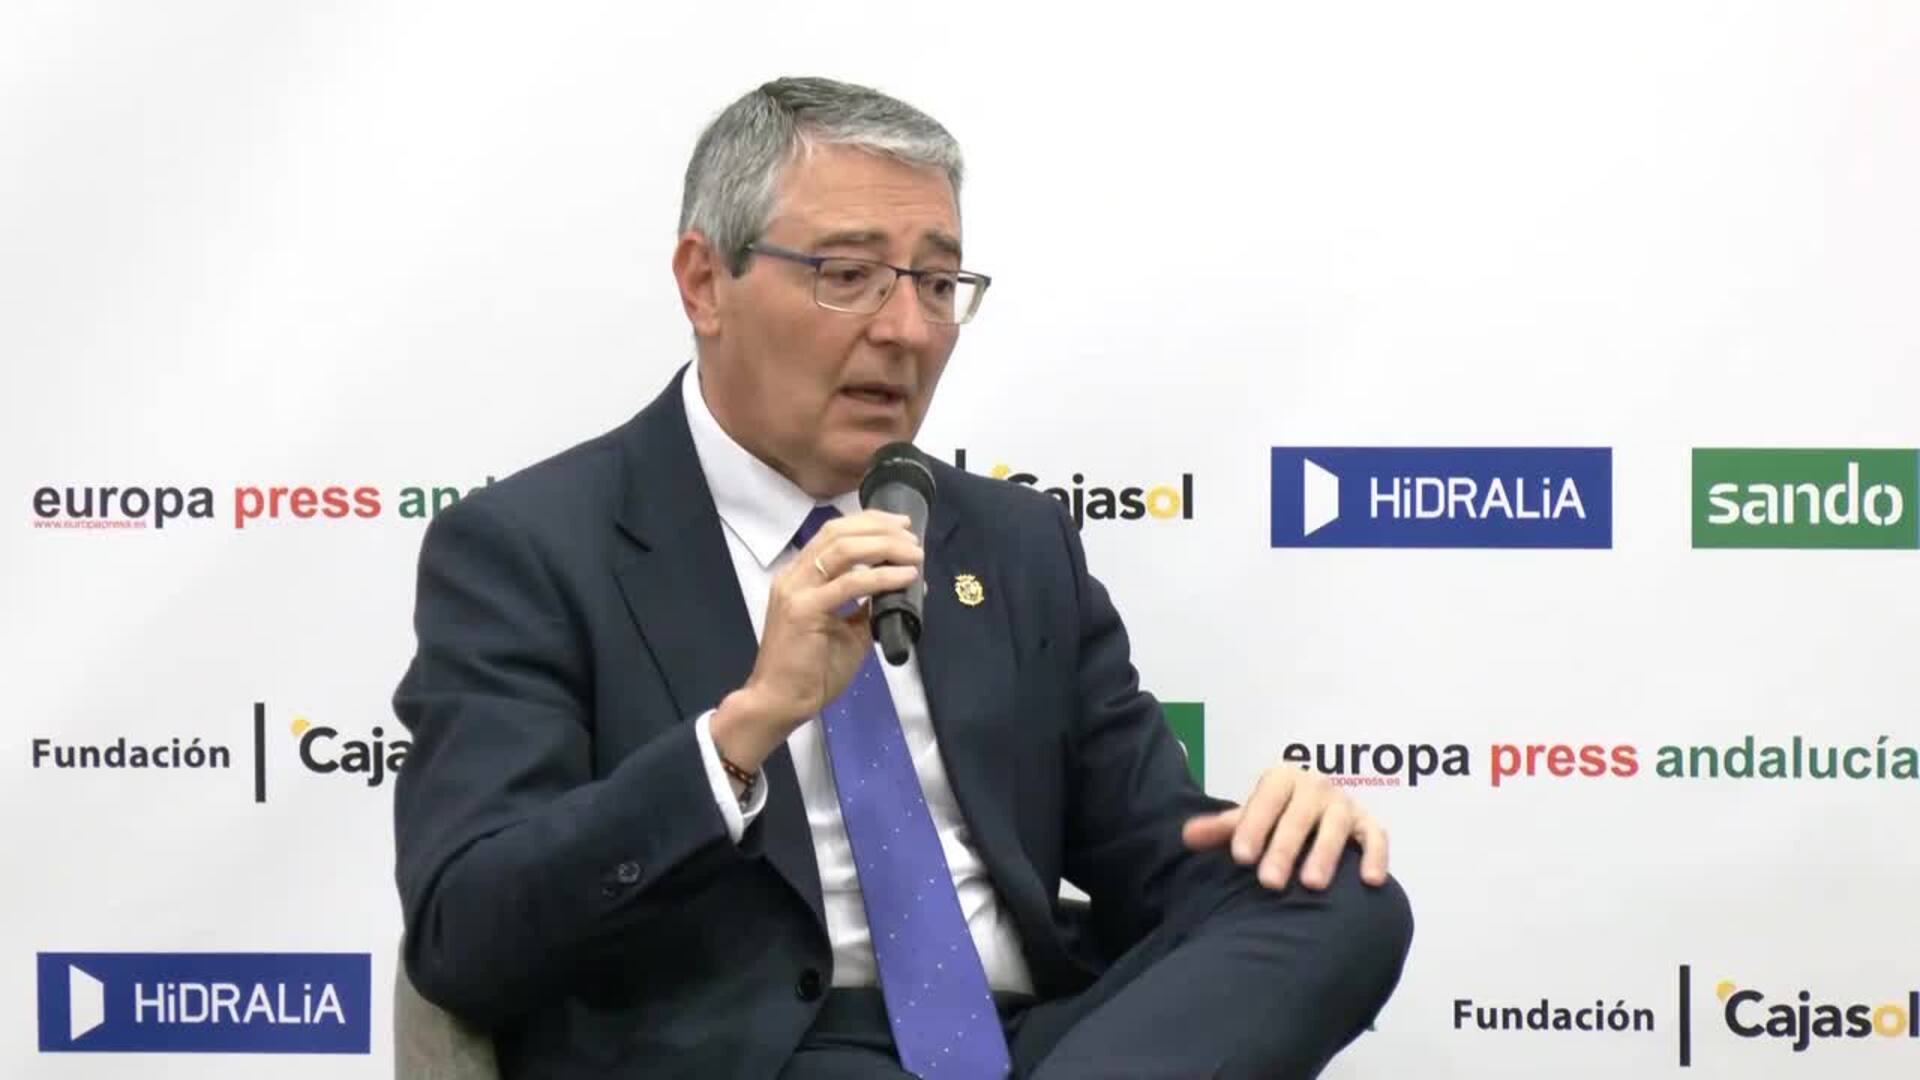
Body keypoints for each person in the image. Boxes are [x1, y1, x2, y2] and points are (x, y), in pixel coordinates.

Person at [393, 76, 1412, 1079]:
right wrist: (742, 732)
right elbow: (464, 935)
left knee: (1339, 894)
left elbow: (1153, 854)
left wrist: (1276, 841)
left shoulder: (1012, 542)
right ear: (704, 283)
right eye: (848, 275)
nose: (908, 331)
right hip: (759, 1051)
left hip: (1037, 1043)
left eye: (937, 284)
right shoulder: (530, 548)